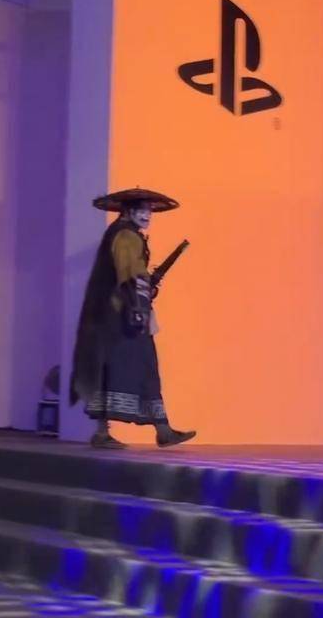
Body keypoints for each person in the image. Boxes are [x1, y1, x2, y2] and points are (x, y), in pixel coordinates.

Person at [70, 187, 196, 449]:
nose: (147, 215)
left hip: (116, 314)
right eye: (141, 210)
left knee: (132, 368)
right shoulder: (126, 236)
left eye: (149, 210)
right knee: (123, 368)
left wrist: (146, 288)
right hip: (120, 316)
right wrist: (141, 302)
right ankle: (108, 433)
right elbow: (131, 275)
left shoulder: (123, 233)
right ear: (128, 211)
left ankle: (161, 429)